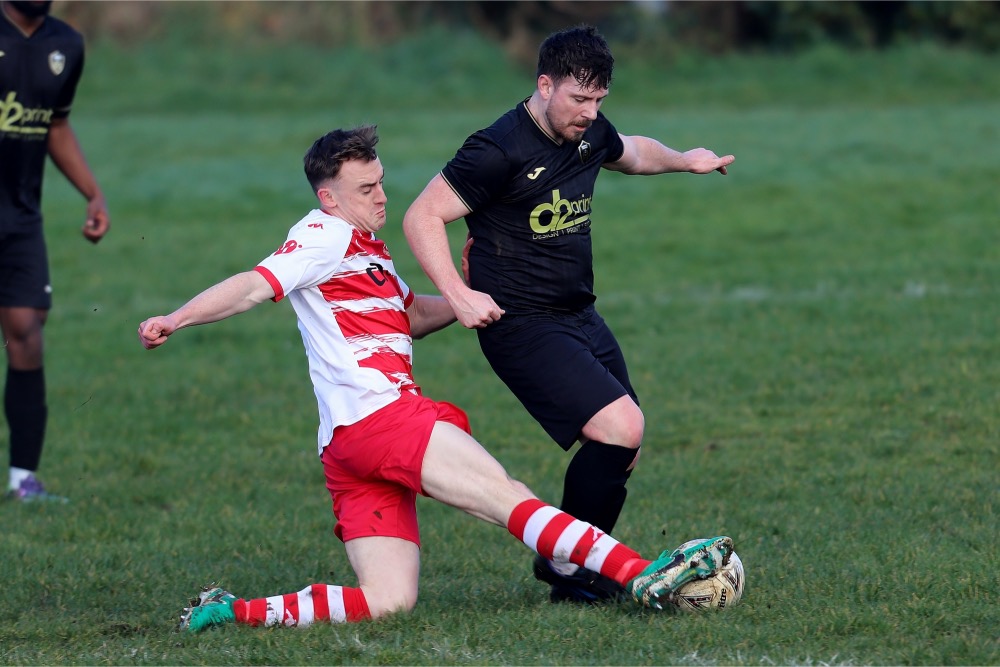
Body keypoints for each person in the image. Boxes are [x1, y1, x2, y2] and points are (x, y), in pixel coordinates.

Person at [136, 126, 733, 632]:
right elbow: (252, 284)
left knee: (386, 602)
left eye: (382, 182)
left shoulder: (364, 252)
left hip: (347, 449)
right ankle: (641, 574)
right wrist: (178, 317)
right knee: (508, 497)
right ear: (328, 197)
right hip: (385, 419)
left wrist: (468, 293)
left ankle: (225, 614)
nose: (381, 197)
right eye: (365, 189)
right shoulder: (323, 235)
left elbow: (411, 317)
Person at [402, 25, 735, 604]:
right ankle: (572, 567)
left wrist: (686, 161)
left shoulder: (588, 134)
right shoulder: (498, 148)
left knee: (624, 445)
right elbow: (422, 216)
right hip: (520, 322)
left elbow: (630, 152)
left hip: (578, 312)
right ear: (544, 84)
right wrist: (457, 293)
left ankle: (569, 567)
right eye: (578, 100)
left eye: (598, 100)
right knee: (619, 426)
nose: (589, 113)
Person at [1, 0, 110, 502]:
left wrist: (92, 192)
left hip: (21, 218)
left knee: (26, 330)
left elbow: (56, 125)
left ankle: (24, 479)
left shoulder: (66, 44)